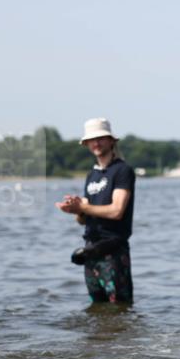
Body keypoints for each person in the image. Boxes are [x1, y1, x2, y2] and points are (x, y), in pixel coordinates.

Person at [55, 118, 136, 304]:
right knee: (97, 306)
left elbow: (117, 211)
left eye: (100, 138)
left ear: (111, 140)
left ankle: (123, 334)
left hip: (113, 249)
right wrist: (75, 210)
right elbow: (83, 220)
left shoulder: (122, 170)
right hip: (91, 250)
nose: (96, 143)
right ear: (86, 144)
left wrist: (83, 207)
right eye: (92, 140)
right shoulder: (92, 175)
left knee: (120, 307)